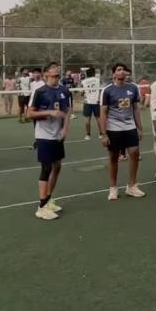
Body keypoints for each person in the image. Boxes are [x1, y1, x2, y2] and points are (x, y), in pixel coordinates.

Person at [26, 63, 71, 220]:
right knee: (46, 168)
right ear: (46, 75)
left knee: (57, 166)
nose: (56, 78)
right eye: (53, 75)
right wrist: (49, 112)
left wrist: (65, 130)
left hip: (57, 135)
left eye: (58, 75)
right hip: (43, 135)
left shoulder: (65, 91)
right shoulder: (39, 92)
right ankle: (41, 206)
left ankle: (48, 199)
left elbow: (67, 112)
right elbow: (29, 114)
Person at [100, 63, 145, 200]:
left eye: (123, 70)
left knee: (134, 153)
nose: (122, 72)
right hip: (113, 128)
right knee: (113, 157)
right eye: (119, 70)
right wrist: (104, 134)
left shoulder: (133, 88)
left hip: (130, 127)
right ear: (114, 74)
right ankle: (113, 188)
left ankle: (132, 186)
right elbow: (103, 112)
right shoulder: (107, 90)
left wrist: (139, 128)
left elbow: (136, 109)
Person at [81, 66, 102, 140]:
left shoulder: (84, 81)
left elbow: (82, 93)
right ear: (93, 73)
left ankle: (88, 135)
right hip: (96, 101)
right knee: (98, 118)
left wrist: (84, 92)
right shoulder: (98, 80)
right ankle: (101, 134)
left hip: (87, 102)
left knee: (87, 119)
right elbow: (101, 90)